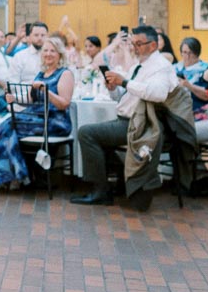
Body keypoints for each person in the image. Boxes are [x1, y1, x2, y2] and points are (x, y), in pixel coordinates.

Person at [72, 25, 179, 207]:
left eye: (138, 43)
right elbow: (125, 96)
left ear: (153, 45)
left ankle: (100, 191)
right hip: (127, 120)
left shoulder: (161, 67)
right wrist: (114, 89)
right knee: (95, 134)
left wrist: (125, 81)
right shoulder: (140, 65)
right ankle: (116, 182)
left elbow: (158, 93)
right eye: (133, 43)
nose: (134, 47)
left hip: (140, 125)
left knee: (86, 133)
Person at [0, 36, 74, 191]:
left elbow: (64, 104)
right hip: (36, 116)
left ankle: (10, 176)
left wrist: (46, 92)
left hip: (55, 120)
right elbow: (31, 100)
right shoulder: (41, 74)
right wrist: (15, 99)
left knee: (9, 127)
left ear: (60, 54)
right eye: (45, 50)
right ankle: (5, 175)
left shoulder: (65, 74)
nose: (48, 54)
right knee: (3, 127)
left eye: (53, 51)